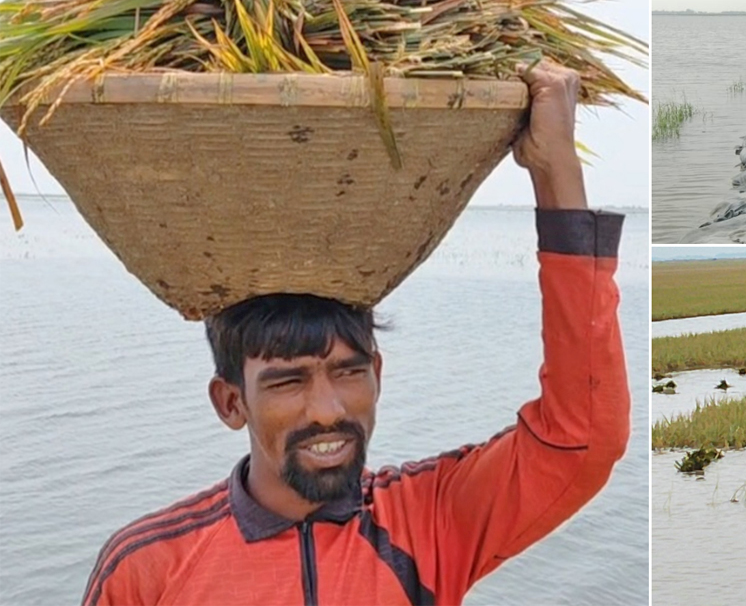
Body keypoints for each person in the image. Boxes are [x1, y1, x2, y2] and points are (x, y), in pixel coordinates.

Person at [80, 62, 631, 606]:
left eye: (348, 372)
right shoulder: (146, 571)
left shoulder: (429, 520)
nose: (327, 409)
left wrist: (554, 167)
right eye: (287, 382)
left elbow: (581, 437)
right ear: (230, 402)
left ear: (379, 373)